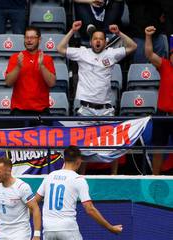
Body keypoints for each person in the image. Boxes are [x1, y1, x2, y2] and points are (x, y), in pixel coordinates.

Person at [57, 21, 137, 175]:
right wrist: (72, 31)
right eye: (95, 38)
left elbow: (133, 46)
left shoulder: (111, 53)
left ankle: (114, 176)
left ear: (105, 42)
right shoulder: (82, 52)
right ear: (91, 41)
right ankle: (82, 175)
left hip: (106, 109)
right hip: (86, 109)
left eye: (101, 38)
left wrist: (119, 33)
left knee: (113, 144)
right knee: (83, 145)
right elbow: (60, 48)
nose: (98, 41)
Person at [5, 26, 56, 128]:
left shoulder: (46, 59)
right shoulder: (16, 57)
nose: (29, 40)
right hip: (19, 112)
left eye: (32, 37)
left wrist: (42, 66)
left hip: (41, 112)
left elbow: (52, 83)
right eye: (27, 37)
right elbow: (8, 82)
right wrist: (18, 67)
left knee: (43, 143)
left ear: (39, 39)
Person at [144, 26, 173, 175]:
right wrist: (148, 36)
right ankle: (155, 179)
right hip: (162, 115)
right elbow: (149, 54)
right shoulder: (165, 65)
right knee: (158, 150)